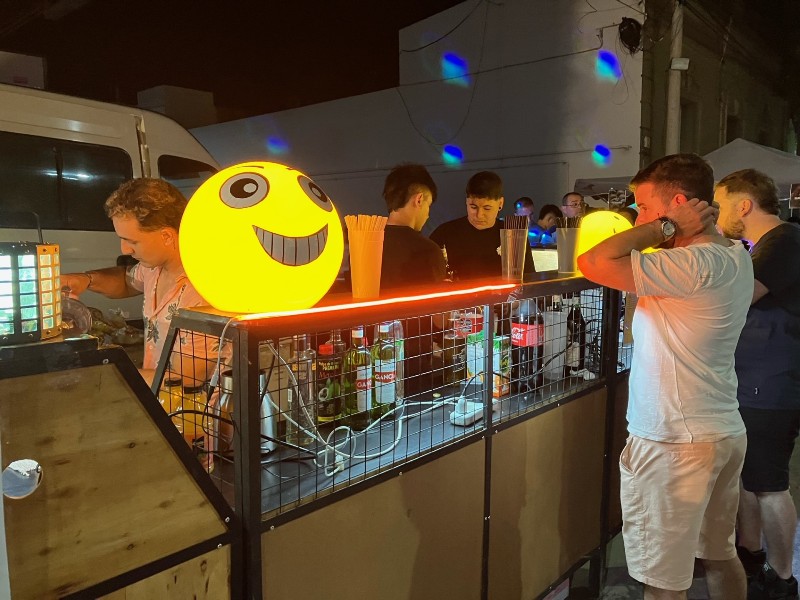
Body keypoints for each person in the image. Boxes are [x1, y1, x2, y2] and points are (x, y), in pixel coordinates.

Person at [577, 154, 753, 599]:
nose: (640, 219)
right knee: (720, 554)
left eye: (644, 208)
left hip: (674, 443)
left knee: (662, 582)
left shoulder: (692, 264)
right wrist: (667, 229)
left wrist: (666, 227)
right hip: (721, 431)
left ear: (678, 205)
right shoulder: (734, 255)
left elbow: (593, 261)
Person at [715, 169, 800, 599]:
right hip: (757, 380)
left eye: (720, 205)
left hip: (773, 383)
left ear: (744, 205)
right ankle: (750, 555)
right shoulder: (769, 244)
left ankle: (782, 578)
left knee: (769, 484)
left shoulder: (783, 242)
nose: (717, 215)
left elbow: (736, 299)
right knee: (749, 478)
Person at [62, 178, 216, 387]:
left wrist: (101, 375)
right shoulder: (152, 267)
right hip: (157, 397)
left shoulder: (202, 290)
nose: (125, 250)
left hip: (190, 405)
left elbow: (186, 381)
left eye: (132, 241)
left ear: (167, 236)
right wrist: (86, 279)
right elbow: (126, 281)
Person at [431, 171, 533, 280]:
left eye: (487, 208)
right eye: (473, 207)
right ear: (466, 202)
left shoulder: (513, 234)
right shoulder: (445, 233)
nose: (479, 215)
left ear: (500, 203)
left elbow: (528, 280)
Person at [380, 163, 447, 291]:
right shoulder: (428, 252)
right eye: (429, 205)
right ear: (419, 200)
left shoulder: (364, 247)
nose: (428, 215)